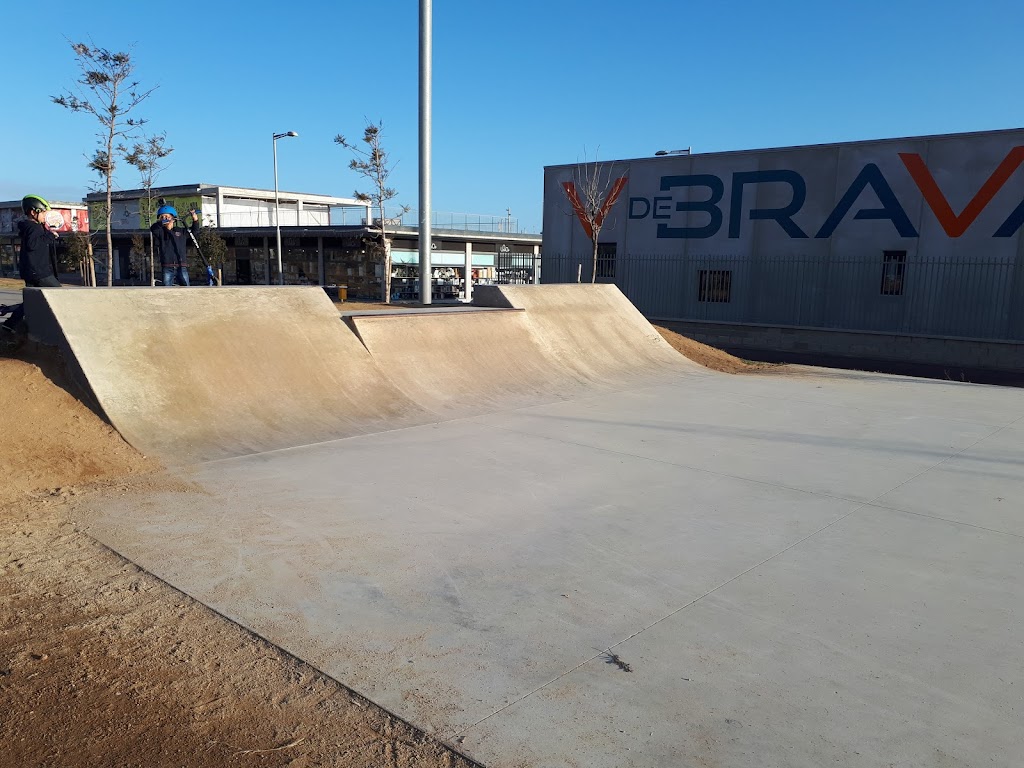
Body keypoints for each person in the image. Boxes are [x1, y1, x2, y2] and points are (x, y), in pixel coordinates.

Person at [1, 195, 61, 338]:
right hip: (38, 272)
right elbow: (32, 245)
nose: (45, 216)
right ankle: (57, 325)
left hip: (31, 270)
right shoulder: (33, 227)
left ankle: (11, 323)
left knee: (32, 301)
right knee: (60, 295)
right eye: (43, 213)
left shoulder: (32, 227)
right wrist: (50, 236)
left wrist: (48, 233)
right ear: (33, 212)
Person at [150, 203, 201, 286]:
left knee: (186, 288)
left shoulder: (181, 231)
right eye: (162, 217)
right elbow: (153, 228)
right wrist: (164, 226)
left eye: (167, 217)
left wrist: (195, 220)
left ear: (173, 218)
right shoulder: (160, 232)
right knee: (167, 289)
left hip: (181, 265)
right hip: (167, 266)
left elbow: (194, 232)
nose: (165, 218)